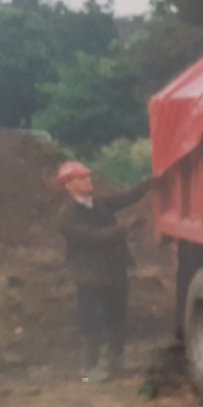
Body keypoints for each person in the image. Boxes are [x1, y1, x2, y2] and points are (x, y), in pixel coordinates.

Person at [56, 161, 155, 382]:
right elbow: (92, 237)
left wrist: (147, 184)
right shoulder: (68, 214)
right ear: (69, 185)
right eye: (82, 178)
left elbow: (126, 198)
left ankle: (115, 361)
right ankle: (89, 367)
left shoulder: (98, 203)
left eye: (88, 176)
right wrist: (125, 227)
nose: (88, 181)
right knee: (92, 319)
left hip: (113, 268)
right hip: (89, 274)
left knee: (117, 314)